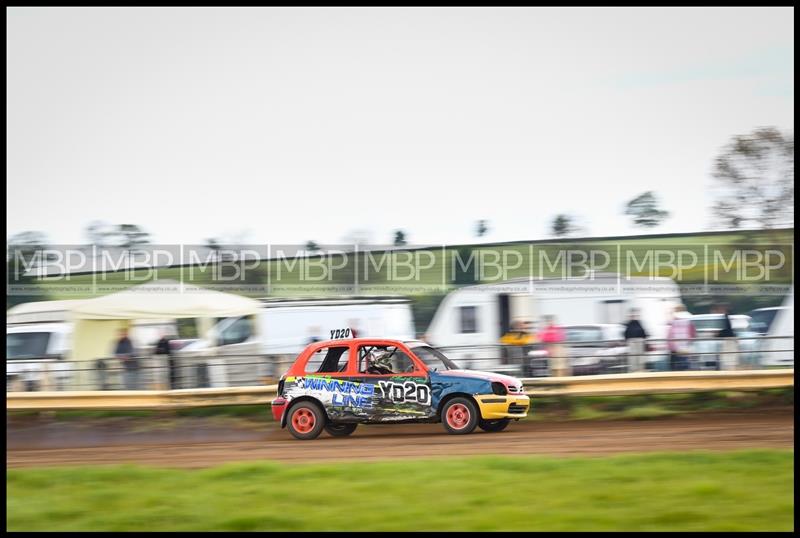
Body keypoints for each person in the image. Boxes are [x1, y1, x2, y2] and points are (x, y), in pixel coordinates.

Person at [667, 305, 695, 371]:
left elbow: (670, 333)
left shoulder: (673, 320)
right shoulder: (689, 320)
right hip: (685, 345)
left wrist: (670, 344)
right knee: (684, 363)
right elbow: (693, 333)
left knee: (674, 364)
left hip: (674, 345)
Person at [713, 304, 738, 370]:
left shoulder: (724, 317)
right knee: (729, 356)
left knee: (728, 356)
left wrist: (717, 335)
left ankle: (729, 370)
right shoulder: (725, 317)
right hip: (729, 339)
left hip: (728, 339)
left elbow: (726, 330)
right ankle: (729, 369)